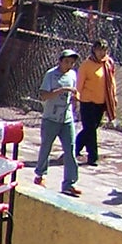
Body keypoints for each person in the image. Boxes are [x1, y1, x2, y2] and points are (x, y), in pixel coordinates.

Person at [35, 49, 82, 197]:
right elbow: (43, 95)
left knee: (70, 150)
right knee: (46, 147)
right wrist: (61, 90)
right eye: (67, 61)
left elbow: (74, 93)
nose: (69, 65)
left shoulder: (73, 75)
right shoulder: (51, 75)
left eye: (72, 62)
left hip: (66, 119)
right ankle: (40, 175)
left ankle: (70, 183)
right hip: (51, 118)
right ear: (60, 61)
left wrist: (76, 101)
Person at [75, 39, 119, 166]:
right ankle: (93, 156)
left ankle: (74, 148)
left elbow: (112, 82)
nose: (102, 53)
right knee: (90, 130)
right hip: (87, 102)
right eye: (99, 49)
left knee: (91, 128)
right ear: (94, 50)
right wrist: (76, 97)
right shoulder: (86, 65)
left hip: (101, 102)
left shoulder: (108, 63)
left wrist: (113, 97)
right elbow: (79, 83)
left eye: (104, 50)